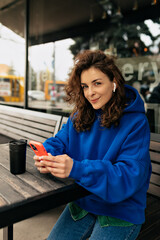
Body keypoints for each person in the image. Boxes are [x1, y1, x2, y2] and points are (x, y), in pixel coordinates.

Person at [34, 50, 151, 240]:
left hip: (121, 209)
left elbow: (129, 175)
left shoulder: (136, 122)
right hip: (85, 200)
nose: (90, 93)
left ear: (114, 81)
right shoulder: (81, 115)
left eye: (97, 83)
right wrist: (47, 153)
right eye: (85, 86)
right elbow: (60, 141)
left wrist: (76, 169)